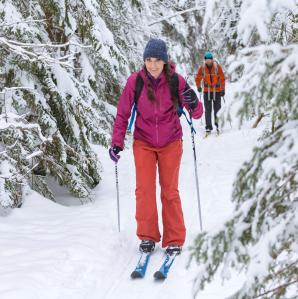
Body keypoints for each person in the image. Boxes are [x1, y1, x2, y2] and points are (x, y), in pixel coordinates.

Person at [109, 38, 203, 256]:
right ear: (144, 61)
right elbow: (123, 113)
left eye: (157, 60)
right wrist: (116, 142)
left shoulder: (176, 82)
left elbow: (197, 114)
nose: (152, 65)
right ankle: (148, 236)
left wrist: (193, 101)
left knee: (170, 191)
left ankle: (174, 239)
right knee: (144, 190)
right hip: (144, 142)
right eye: (149, 60)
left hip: (171, 142)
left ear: (165, 61)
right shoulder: (135, 82)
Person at [195, 51, 225, 136]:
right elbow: (198, 78)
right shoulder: (202, 68)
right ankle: (208, 127)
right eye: (207, 59)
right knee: (208, 110)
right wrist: (198, 87)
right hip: (206, 92)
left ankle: (218, 125)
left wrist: (223, 89)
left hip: (217, 91)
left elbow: (222, 78)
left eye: (209, 59)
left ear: (212, 59)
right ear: (205, 60)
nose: (208, 61)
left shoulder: (217, 67)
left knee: (217, 110)